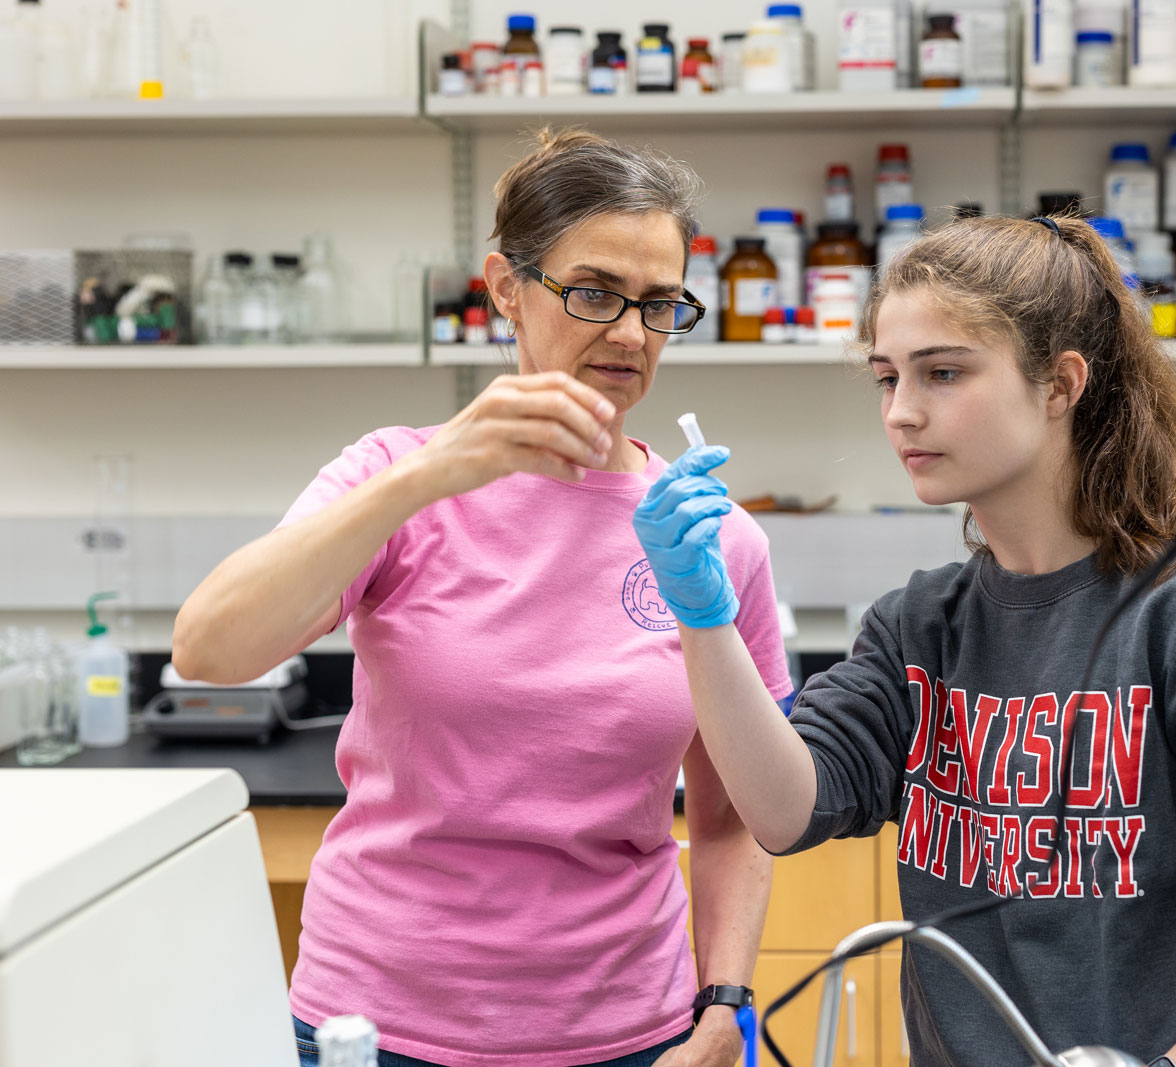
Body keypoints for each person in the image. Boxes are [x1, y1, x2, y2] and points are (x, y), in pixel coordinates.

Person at [632, 214, 1176, 1067]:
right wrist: (703, 618)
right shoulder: (918, 627)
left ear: (1059, 384)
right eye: (887, 377)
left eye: (942, 373)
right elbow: (782, 810)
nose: (901, 412)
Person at [174, 128, 793, 1067]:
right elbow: (210, 649)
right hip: (381, 1026)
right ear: (507, 287)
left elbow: (732, 813)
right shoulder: (394, 476)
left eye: (660, 303)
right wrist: (425, 477)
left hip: (630, 1029)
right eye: (594, 292)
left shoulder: (710, 537)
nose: (629, 332)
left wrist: (727, 1004)